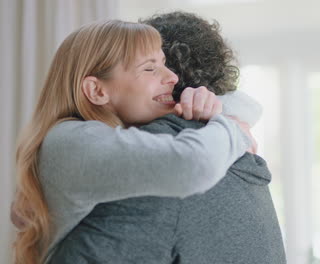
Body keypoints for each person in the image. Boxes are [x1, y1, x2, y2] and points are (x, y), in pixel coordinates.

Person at [46, 12, 286, 264]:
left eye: (163, 64)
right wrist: (233, 127)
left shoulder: (162, 157)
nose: (170, 77)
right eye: (149, 67)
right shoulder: (232, 155)